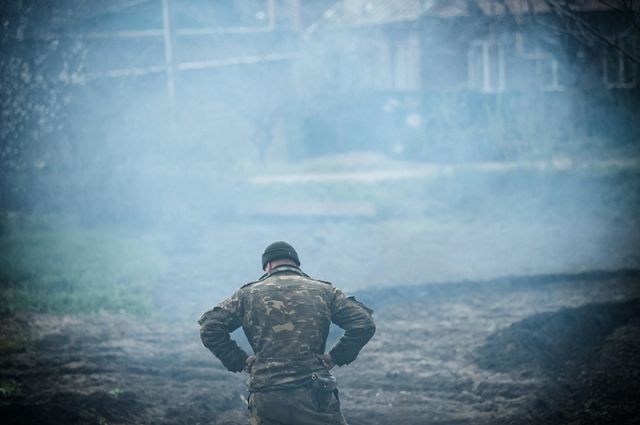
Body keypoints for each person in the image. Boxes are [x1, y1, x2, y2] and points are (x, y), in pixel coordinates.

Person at [199, 241, 376, 425]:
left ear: (268, 265)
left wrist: (239, 360)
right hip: (314, 391)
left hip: (267, 393)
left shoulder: (246, 295)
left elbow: (210, 327)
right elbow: (363, 324)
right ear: (296, 264)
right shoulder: (325, 292)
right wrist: (336, 356)